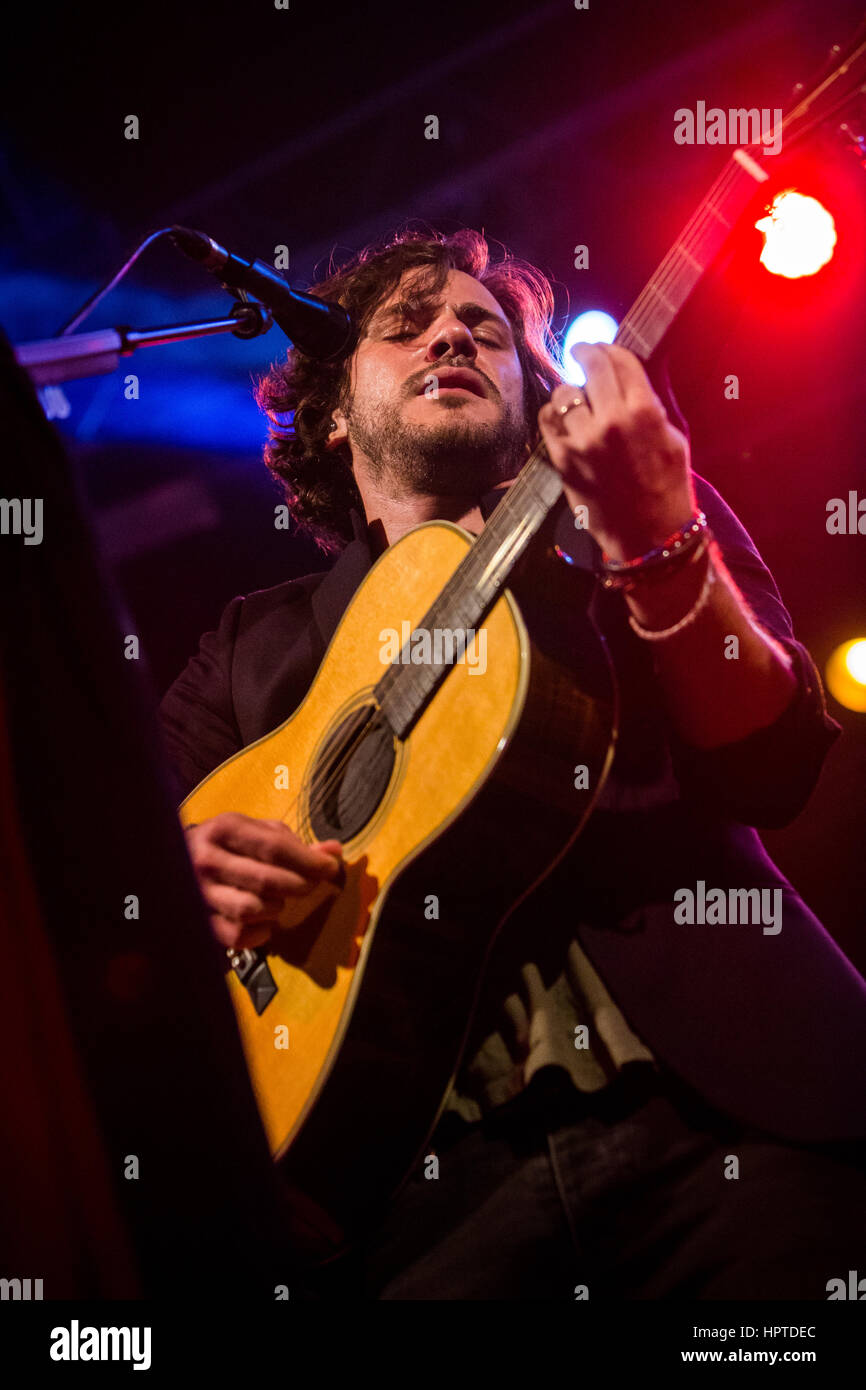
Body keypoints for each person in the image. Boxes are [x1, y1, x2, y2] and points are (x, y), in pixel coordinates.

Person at [160, 228, 866, 1300]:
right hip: (411, 1204)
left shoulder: (632, 520)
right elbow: (115, 911)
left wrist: (655, 544)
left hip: (721, 1136)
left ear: (531, 392)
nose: (450, 331)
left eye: (484, 330)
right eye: (405, 326)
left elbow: (773, 765)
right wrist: (186, 887)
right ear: (335, 410)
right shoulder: (245, 649)